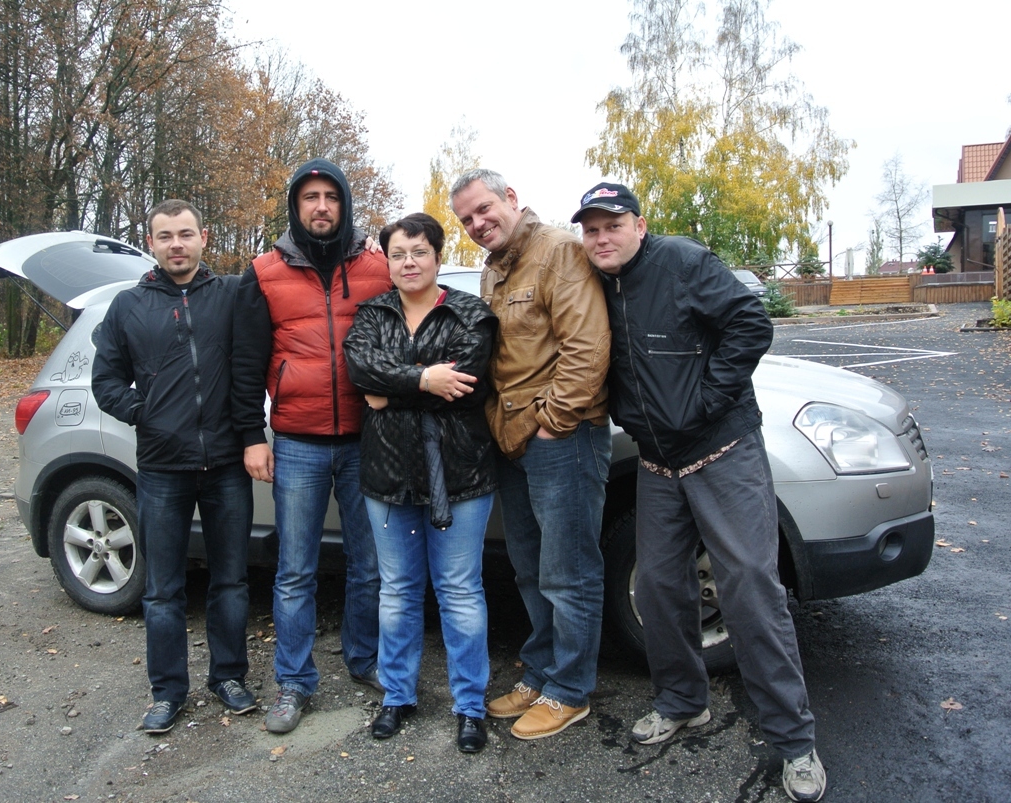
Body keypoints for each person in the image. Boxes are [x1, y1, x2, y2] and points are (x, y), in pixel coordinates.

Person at [572, 182, 825, 802]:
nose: (602, 238)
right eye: (591, 229)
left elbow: (750, 324)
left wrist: (706, 401)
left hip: (722, 450)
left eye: (613, 225)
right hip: (657, 462)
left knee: (750, 588)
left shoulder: (683, 262)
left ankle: (794, 741)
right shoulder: (595, 282)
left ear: (639, 225)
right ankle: (684, 700)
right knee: (660, 588)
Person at [449, 169, 612, 740]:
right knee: (531, 569)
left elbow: (587, 347)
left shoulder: (558, 251)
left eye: (484, 209)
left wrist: (552, 424)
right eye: (466, 219)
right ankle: (541, 672)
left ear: (511, 198)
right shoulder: (495, 268)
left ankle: (569, 690)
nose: (477, 224)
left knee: (569, 571)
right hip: (512, 439)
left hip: (560, 439)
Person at [234, 158, 391, 735]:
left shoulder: (378, 267)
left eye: (331, 196)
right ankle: (294, 682)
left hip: (367, 442)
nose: (321, 206)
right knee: (295, 570)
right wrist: (252, 436)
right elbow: (246, 362)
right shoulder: (264, 272)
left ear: (344, 203)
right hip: (297, 442)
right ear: (295, 207)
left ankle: (364, 659)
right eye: (310, 197)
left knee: (368, 566)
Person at [91, 199, 255, 734]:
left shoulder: (231, 294)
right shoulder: (128, 306)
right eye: (165, 236)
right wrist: (147, 415)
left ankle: (228, 677)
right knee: (163, 590)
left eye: (185, 234)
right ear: (152, 243)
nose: (176, 244)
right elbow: (105, 380)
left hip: (226, 463)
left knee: (230, 582)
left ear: (204, 237)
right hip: (162, 467)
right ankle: (167, 692)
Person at [342, 212, 499, 754]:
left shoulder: (470, 313)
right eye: (398, 254)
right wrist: (426, 377)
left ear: (437, 256)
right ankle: (397, 695)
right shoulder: (372, 314)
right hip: (387, 474)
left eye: (419, 252)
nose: (409, 262)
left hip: (461, 473)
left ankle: (470, 706)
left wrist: (390, 390)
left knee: (459, 591)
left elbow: (468, 384)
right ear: (387, 261)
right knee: (398, 591)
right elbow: (359, 369)